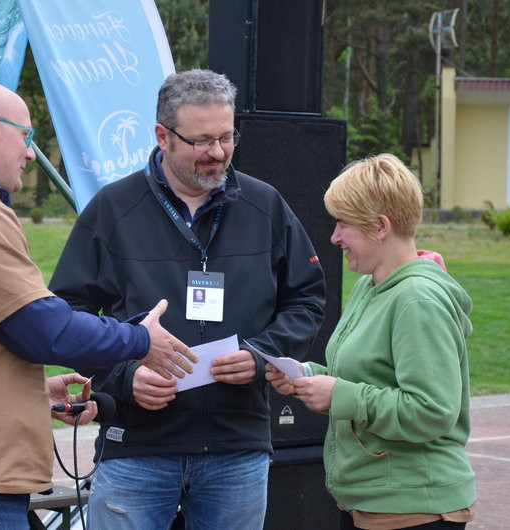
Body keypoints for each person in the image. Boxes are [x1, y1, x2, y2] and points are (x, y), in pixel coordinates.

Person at [0, 78, 198, 529]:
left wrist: (25, 395)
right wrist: (140, 338)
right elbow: (45, 330)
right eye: (26, 137)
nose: (30, 153)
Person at [49, 69, 326, 529]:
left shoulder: (267, 206)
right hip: (137, 447)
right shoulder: (113, 210)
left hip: (237, 451)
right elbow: (68, 314)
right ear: (163, 136)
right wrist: (122, 375)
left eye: (226, 137)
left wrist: (260, 356)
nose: (218, 153)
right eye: (201, 141)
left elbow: (306, 300)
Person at [266, 154, 476, 529]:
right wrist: (308, 377)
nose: (334, 237)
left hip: (414, 510)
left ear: (380, 227)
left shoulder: (417, 300)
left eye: (343, 224)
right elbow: (368, 377)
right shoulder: (369, 285)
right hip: (372, 506)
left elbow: (432, 410)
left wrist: (340, 395)